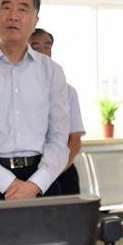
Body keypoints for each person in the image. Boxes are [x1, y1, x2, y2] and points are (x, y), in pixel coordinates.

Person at [0, 0, 69, 202]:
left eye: (22, 9)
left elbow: (59, 138)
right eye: (6, 7)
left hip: (41, 180)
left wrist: (35, 184)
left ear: (35, 20)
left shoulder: (52, 71)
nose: (13, 16)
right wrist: (8, 183)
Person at [29, 28, 84, 194]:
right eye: (36, 47)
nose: (43, 52)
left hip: (61, 172)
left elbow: (75, 140)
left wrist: (52, 172)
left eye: (47, 47)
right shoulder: (15, 91)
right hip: (28, 172)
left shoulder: (68, 91)